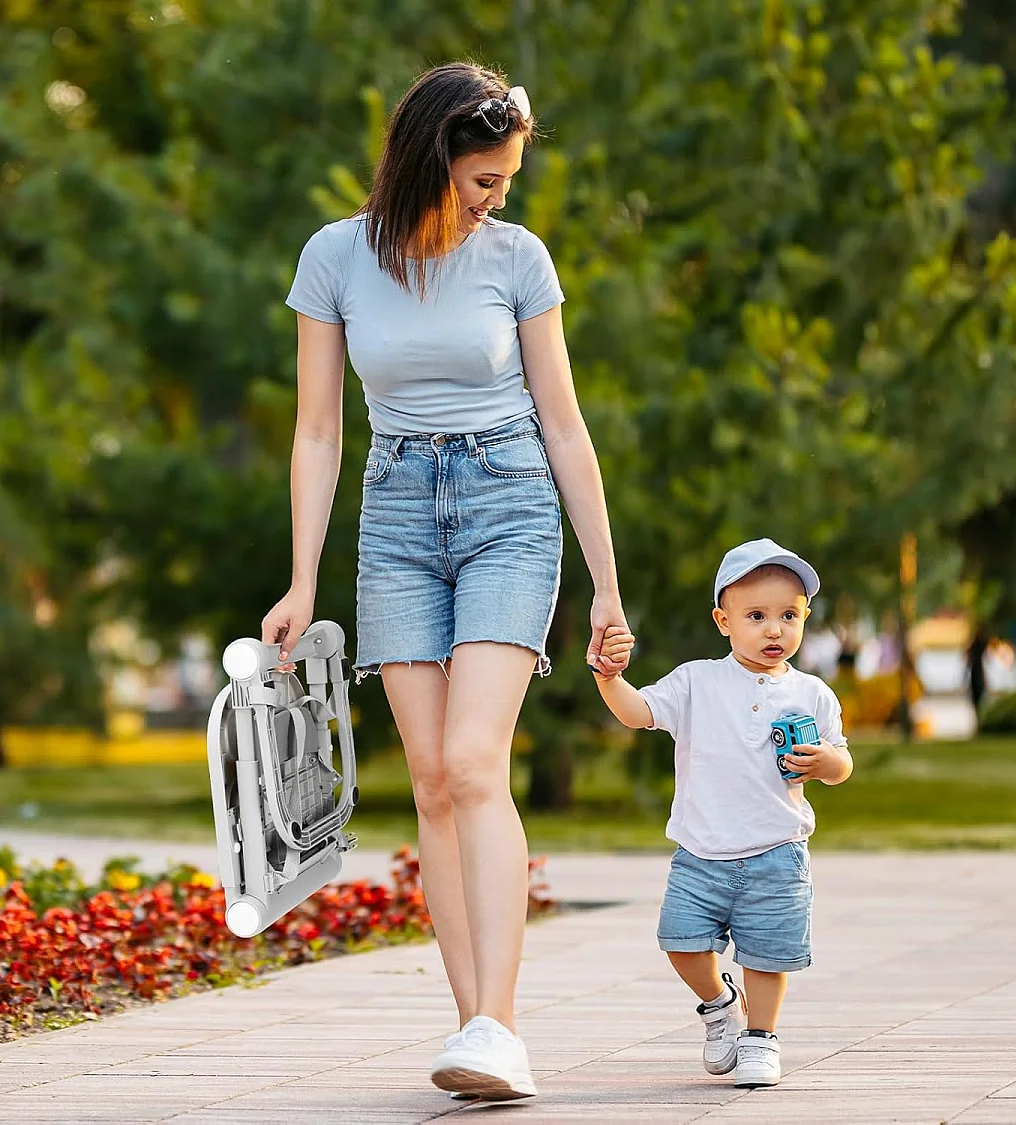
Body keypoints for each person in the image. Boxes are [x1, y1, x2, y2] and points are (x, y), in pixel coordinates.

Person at [261, 62, 626, 1102]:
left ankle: (500, 1026)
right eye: (481, 180)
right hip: (396, 518)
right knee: (428, 778)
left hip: (510, 506)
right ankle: (474, 1030)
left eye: (505, 178)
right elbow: (319, 429)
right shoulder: (335, 258)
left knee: (473, 761)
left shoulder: (517, 259)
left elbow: (564, 422)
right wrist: (302, 581)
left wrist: (605, 583)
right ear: (430, 161)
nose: (496, 196)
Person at [590, 538, 852, 1088]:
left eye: (789, 616)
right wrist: (610, 679)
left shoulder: (813, 693)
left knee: (768, 953)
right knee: (680, 942)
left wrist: (827, 762)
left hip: (777, 850)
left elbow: (841, 763)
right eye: (756, 616)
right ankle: (718, 1005)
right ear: (723, 620)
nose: (774, 630)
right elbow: (640, 713)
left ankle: (761, 1038)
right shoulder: (696, 681)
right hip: (700, 852)